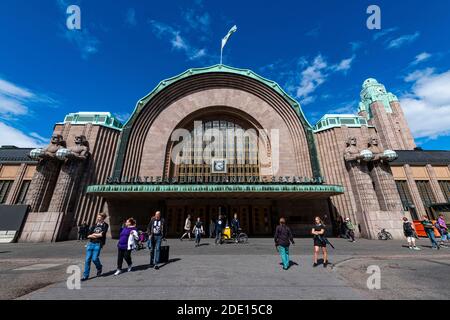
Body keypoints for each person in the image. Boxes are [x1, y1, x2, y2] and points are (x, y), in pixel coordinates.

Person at [82, 213, 109, 281]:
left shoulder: (105, 225)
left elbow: (102, 235)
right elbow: (88, 235)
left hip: (98, 244)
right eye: (98, 217)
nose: (98, 218)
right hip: (90, 243)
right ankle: (85, 276)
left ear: (103, 218)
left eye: (99, 217)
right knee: (87, 260)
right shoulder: (94, 225)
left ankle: (99, 267)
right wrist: (96, 234)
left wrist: (93, 234)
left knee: (94, 259)